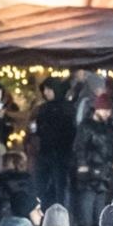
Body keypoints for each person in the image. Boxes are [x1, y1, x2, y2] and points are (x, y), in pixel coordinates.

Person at [73, 92, 113, 226]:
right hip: (90, 167)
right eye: (105, 110)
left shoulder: (109, 127)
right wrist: (83, 165)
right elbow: (80, 147)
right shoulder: (86, 126)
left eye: (108, 110)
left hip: (104, 167)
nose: (107, 113)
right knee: (89, 197)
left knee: (101, 197)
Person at [32, 78, 76, 210]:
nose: (46, 92)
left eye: (49, 89)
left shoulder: (67, 108)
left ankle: (60, 213)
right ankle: (43, 211)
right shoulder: (43, 108)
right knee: (42, 185)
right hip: (45, 152)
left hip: (61, 154)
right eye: (44, 90)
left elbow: (70, 131)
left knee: (60, 186)